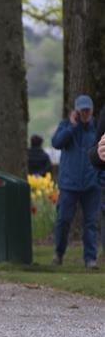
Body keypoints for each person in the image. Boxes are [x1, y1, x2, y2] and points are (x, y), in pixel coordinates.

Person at [51, 94, 100, 269]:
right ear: (76, 111)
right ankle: (59, 253)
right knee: (63, 220)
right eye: (82, 110)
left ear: (92, 110)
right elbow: (56, 143)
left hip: (91, 185)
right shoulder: (66, 126)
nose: (85, 113)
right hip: (69, 185)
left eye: (88, 110)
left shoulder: (97, 129)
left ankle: (90, 259)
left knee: (91, 224)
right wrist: (71, 127)